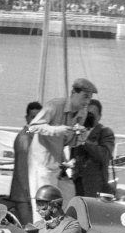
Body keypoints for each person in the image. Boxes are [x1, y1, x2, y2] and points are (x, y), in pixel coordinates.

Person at [27, 78, 97, 219]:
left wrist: (82, 136)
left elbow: (72, 143)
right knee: (44, 210)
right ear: (73, 93)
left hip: (57, 166)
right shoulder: (54, 106)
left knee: (66, 205)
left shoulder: (82, 114)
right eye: (85, 97)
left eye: (89, 98)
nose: (87, 102)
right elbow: (33, 127)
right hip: (42, 165)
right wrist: (56, 130)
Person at [70, 99, 115, 197]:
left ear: (99, 116)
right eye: (87, 113)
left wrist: (85, 142)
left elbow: (105, 155)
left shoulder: (105, 133)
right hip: (77, 184)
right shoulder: (78, 131)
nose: (89, 117)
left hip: (95, 186)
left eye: (92, 114)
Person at [8, 101, 42, 225]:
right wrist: (30, 195)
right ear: (27, 118)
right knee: (29, 229)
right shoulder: (25, 138)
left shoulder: (32, 135)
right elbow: (22, 170)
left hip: (27, 195)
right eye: (33, 117)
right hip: (24, 196)